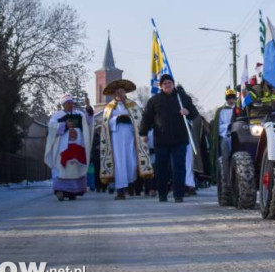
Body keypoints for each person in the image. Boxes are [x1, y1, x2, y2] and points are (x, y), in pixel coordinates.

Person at [138, 74, 199, 203]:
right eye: (164, 84)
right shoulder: (155, 100)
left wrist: (187, 111)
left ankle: (179, 194)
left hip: (179, 139)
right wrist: (143, 133)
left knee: (179, 167)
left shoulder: (182, 97)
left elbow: (194, 113)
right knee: (161, 168)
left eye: (169, 83)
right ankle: (162, 194)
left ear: (173, 84)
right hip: (161, 139)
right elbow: (147, 117)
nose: (167, 85)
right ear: (161, 86)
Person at [99, 79, 153, 199]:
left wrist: (130, 120)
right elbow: (105, 123)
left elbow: (139, 121)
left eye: (122, 91)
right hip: (116, 137)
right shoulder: (109, 107)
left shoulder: (133, 105)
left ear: (125, 92)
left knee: (132, 162)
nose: (120, 94)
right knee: (119, 162)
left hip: (130, 136)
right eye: (117, 92)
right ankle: (120, 189)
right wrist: (116, 120)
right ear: (114, 94)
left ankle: (130, 183)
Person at [44, 93, 92, 200]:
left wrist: (88, 107)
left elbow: (88, 121)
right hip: (62, 147)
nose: (71, 105)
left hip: (77, 145)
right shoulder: (58, 115)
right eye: (68, 103)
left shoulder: (79, 114)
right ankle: (60, 191)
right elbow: (51, 126)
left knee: (75, 167)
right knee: (61, 166)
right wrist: (64, 125)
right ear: (64, 105)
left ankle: (73, 191)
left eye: (72, 103)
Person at [211, 88, 238, 179]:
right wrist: (228, 126)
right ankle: (226, 177)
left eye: (233, 98)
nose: (231, 100)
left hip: (237, 137)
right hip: (225, 136)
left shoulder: (239, 110)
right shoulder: (221, 111)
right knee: (225, 156)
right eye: (229, 98)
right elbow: (218, 126)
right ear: (226, 99)